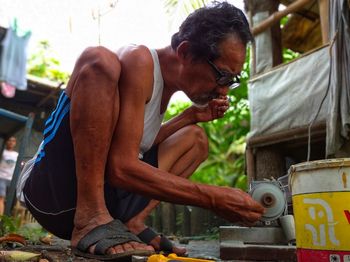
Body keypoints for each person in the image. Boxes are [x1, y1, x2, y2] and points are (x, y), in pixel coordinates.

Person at [17, 2, 265, 260]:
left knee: (195, 139)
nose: (223, 90)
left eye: (231, 81)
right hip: (52, 194)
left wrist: (189, 117)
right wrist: (214, 198)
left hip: (109, 201)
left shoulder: (166, 89)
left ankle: (132, 222)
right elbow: (120, 167)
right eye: (222, 76)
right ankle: (90, 216)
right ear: (186, 51)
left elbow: (132, 146)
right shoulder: (140, 60)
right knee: (99, 60)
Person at [0, 136, 18, 215]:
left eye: (13, 141)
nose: (11, 142)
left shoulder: (16, 154)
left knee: (11, 200)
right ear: (6, 142)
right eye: (9, 140)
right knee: (1, 198)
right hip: (2, 177)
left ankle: (7, 216)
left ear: (15, 143)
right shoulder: (2, 152)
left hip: (12, 179)